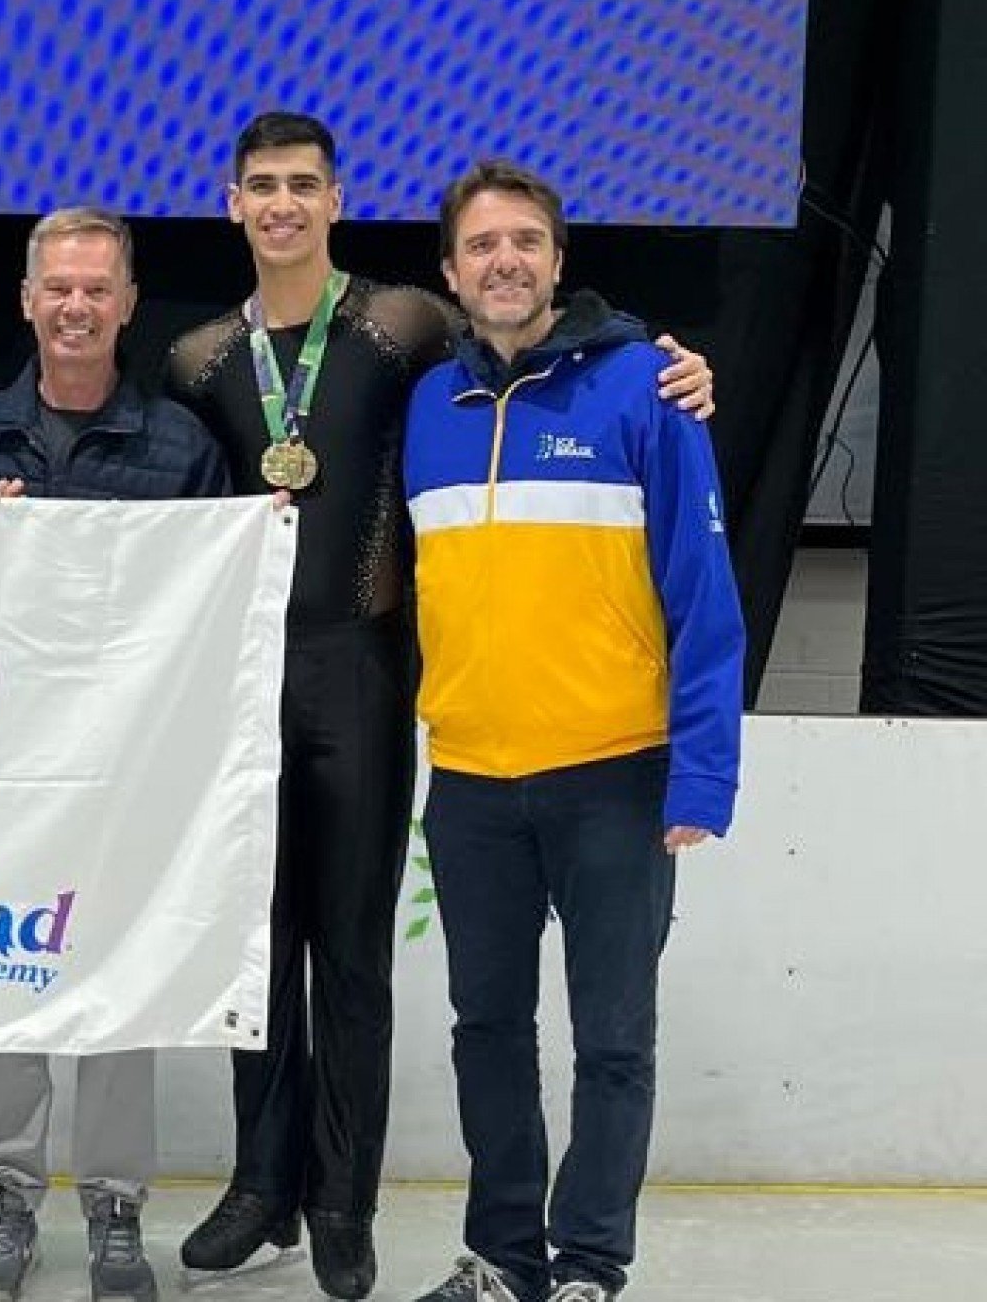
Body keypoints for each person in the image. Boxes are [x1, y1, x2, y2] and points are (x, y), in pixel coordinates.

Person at [162, 112, 715, 1300]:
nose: (283, 204)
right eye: (262, 185)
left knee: (382, 964)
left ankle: (375, 1210)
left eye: (304, 184)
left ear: (339, 199)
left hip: (426, 701)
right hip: (328, 716)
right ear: (230, 201)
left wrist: (681, 369)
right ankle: (286, 1192)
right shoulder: (214, 361)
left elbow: (694, 575)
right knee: (287, 967)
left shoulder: (418, 334)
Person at [403, 160, 743, 1302]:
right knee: (486, 1031)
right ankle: (504, 1256)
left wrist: (702, 776)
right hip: (470, 782)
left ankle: (591, 1261)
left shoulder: (649, 387)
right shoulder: (428, 406)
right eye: (483, 246)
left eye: (526, 243)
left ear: (558, 260)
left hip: (617, 776)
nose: (506, 262)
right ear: (452, 273)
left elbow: (704, 591)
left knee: (612, 1041)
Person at [0, 207, 230, 1302]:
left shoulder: (181, 448)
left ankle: (116, 1208)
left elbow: (212, 613)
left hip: (128, 775)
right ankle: (5, 1200)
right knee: (4, 978)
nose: (74, 306)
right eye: (57, 287)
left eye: (95, 289)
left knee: (120, 987)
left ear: (128, 303)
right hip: (5, 778)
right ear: (26, 299)